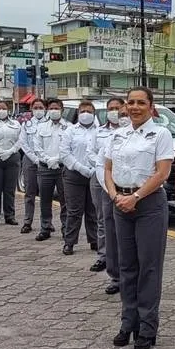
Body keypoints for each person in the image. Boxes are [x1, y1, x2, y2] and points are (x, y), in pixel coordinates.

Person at [104, 87, 175, 349]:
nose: (134, 107)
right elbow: (108, 169)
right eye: (130, 102)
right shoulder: (117, 135)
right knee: (126, 267)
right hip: (120, 204)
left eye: (141, 103)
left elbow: (162, 173)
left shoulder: (160, 134)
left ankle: (147, 327)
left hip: (148, 205)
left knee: (149, 268)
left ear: (151, 106)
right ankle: (128, 323)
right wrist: (114, 196)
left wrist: (134, 196)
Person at [90, 96, 125, 289]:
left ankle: (130, 277)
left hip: (133, 194)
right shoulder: (107, 136)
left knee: (128, 236)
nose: (118, 114)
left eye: (120, 111)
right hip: (110, 190)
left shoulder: (142, 134)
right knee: (110, 231)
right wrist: (111, 191)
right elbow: (100, 164)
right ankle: (116, 277)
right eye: (112, 110)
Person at [59, 100, 100, 256]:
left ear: (94, 114)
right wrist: (81, 168)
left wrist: (95, 169)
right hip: (74, 175)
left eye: (89, 111)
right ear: (78, 113)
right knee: (74, 211)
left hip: (94, 174)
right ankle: (69, 242)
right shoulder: (70, 131)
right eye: (83, 111)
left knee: (93, 211)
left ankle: (95, 240)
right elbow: (65, 153)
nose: (86, 114)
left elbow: (102, 153)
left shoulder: (99, 131)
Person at [34, 98, 69, 241]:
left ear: (62, 110)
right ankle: (45, 228)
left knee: (65, 200)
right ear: (48, 110)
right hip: (45, 168)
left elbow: (69, 148)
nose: (54, 111)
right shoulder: (42, 127)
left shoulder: (69, 127)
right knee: (45, 200)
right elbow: (37, 146)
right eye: (51, 108)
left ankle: (66, 229)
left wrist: (58, 160)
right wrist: (48, 160)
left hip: (63, 168)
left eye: (57, 108)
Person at [19, 98, 47, 233]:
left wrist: (42, 158)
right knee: (29, 193)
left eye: (40, 107)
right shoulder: (27, 125)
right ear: (31, 109)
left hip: (46, 161)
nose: (38, 110)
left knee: (45, 194)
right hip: (30, 159)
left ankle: (46, 223)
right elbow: (23, 143)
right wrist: (34, 158)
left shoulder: (49, 124)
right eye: (35, 107)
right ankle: (27, 222)